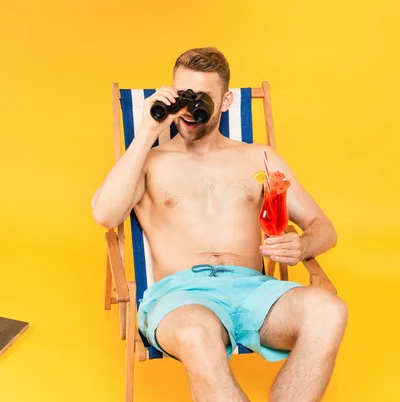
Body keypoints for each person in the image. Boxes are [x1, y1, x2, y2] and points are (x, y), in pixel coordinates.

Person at [92, 47, 347, 402]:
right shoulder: (150, 161)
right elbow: (105, 214)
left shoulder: (258, 157)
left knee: (329, 311)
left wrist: (303, 246)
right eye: (182, 96)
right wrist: (150, 128)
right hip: (182, 298)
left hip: (255, 291)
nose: (189, 110)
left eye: (201, 99)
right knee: (198, 334)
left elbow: (324, 227)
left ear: (226, 101)